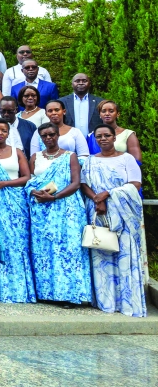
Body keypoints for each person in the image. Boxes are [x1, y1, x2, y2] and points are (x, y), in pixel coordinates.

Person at [80, 124, 146, 317]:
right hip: (99, 212)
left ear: (114, 138)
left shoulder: (127, 159)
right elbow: (84, 184)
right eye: (99, 136)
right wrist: (96, 200)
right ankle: (106, 301)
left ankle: (127, 303)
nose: (103, 139)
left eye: (106, 135)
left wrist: (107, 194)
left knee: (124, 254)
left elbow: (135, 183)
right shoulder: (91, 161)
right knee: (102, 254)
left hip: (122, 212)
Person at [26, 122, 92, 307]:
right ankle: (47, 293)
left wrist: (54, 197)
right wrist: (33, 192)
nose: (48, 138)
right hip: (41, 210)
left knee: (67, 250)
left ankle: (71, 295)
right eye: (45, 135)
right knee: (44, 250)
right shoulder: (35, 157)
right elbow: (30, 181)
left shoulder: (70, 156)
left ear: (58, 136)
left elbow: (75, 183)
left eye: (52, 135)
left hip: (66, 208)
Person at [0, 119, 35, 303]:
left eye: (4, 130)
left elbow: (26, 177)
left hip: (15, 201)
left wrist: (5, 183)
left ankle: (19, 290)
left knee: (17, 242)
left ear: (8, 133)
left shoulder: (17, 152)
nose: (0, 133)